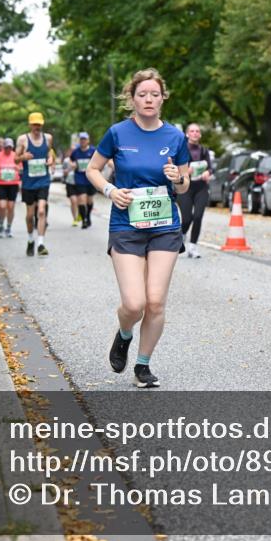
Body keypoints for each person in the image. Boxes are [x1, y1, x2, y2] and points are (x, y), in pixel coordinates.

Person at [85, 68, 191, 389]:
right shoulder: (117, 133)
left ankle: (143, 365)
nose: (148, 99)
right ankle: (124, 333)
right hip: (126, 225)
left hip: (164, 227)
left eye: (154, 94)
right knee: (134, 304)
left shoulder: (175, 137)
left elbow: (185, 185)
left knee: (155, 301)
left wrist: (178, 178)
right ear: (132, 99)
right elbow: (93, 170)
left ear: (162, 99)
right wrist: (109, 190)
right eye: (142, 94)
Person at [16, 113, 55, 256]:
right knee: (29, 215)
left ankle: (40, 243)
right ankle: (30, 240)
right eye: (34, 124)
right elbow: (15, 158)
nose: (37, 127)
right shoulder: (23, 140)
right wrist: (22, 157)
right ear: (30, 125)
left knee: (41, 211)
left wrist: (51, 159)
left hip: (43, 181)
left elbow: (50, 152)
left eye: (39, 124)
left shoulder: (48, 138)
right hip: (28, 183)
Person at [177, 123, 212, 258]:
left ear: (200, 134)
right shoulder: (182, 150)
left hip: (201, 187)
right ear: (187, 134)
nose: (195, 133)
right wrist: (185, 171)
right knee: (187, 218)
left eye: (197, 131)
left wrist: (208, 173)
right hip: (185, 187)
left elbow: (210, 167)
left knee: (198, 216)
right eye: (192, 131)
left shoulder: (204, 150)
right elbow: (174, 167)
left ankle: (193, 247)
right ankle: (181, 236)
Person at [0, 137, 20, 238]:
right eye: (7, 147)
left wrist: (17, 170)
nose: (8, 149)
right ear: (4, 147)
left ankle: (9, 227)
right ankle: (1, 225)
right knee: (2, 206)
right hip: (1, 184)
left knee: (11, 207)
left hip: (13, 184)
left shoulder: (16, 156)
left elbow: (21, 168)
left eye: (10, 147)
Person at [70, 132, 98, 229]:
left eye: (84, 139)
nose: (82, 141)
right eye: (81, 139)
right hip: (79, 178)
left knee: (89, 201)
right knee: (82, 199)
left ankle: (88, 216)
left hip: (90, 178)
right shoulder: (75, 152)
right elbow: (71, 160)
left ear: (88, 140)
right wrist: (72, 164)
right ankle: (84, 219)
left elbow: (99, 161)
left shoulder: (93, 151)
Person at [64, 148, 80, 226]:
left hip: (80, 182)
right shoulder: (66, 161)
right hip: (70, 182)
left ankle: (81, 214)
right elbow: (64, 173)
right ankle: (75, 219)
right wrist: (70, 168)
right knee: (73, 201)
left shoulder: (80, 158)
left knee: (80, 201)